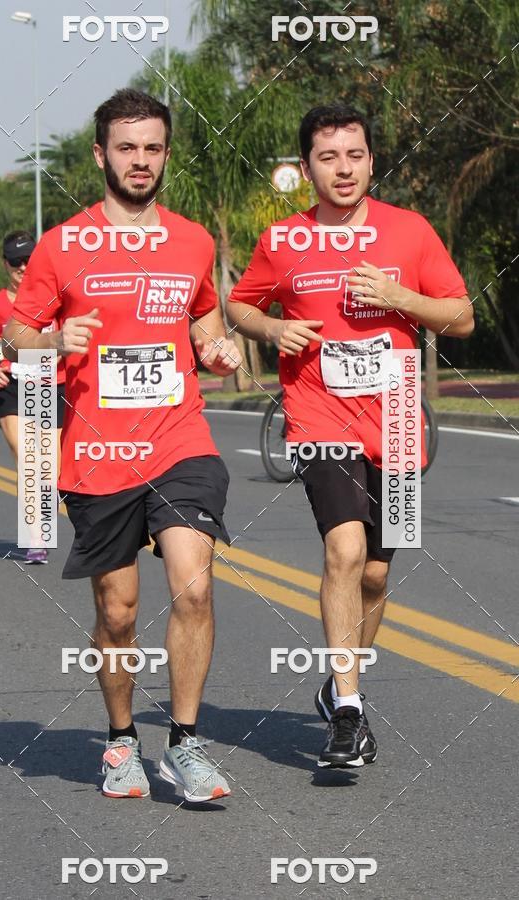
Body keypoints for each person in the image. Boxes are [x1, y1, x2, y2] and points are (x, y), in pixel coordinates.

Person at [3, 89, 242, 802]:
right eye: (127, 148)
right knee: (118, 612)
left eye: (153, 148)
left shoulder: (193, 240)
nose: (141, 161)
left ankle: (188, 744)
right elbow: (16, 331)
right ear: (101, 154)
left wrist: (216, 346)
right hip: (97, 453)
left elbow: (200, 316)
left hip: (180, 438)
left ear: (166, 154)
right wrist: (51, 338)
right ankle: (119, 742)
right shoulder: (62, 245)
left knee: (192, 585)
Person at [228, 105, 474, 769]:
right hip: (319, 414)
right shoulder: (284, 240)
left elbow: (460, 317)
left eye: (355, 155)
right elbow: (241, 303)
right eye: (328, 157)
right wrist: (275, 331)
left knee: (374, 571)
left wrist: (401, 297)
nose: (343, 168)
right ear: (305, 166)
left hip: (394, 417)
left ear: (370, 160)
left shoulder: (410, 231)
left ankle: (346, 681)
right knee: (344, 549)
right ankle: (347, 706)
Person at [0, 232, 66, 564]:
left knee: (51, 468)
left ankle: (41, 518)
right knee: (29, 458)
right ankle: (36, 538)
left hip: (54, 384)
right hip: (13, 385)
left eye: (28, 259)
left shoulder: (56, 297)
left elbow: (70, 336)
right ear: (5, 264)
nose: (23, 267)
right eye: (16, 262)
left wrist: (61, 350)